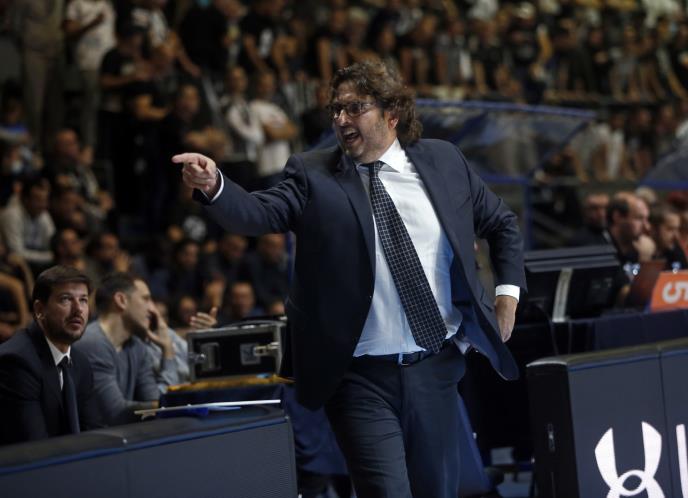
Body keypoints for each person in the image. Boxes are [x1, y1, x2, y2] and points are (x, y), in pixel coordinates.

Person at [174, 60, 525, 498]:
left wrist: (507, 295)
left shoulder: (443, 160)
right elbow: (257, 213)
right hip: (360, 379)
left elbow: (501, 224)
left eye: (355, 107)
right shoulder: (312, 174)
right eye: (335, 109)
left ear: (391, 113)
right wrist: (215, 185)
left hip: (436, 369)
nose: (341, 119)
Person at [0, 265, 102, 445]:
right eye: (66, 299)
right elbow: (34, 447)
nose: (78, 309)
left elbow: (95, 433)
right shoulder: (17, 362)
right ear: (40, 310)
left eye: (83, 300)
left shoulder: (81, 363)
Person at [74, 272, 164, 425]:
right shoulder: (92, 343)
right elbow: (115, 412)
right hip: (94, 438)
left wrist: (168, 352)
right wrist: (173, 405)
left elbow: (154, 399)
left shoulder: (137, 346)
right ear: (121, 300)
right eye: (146, 299)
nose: (153, 309)